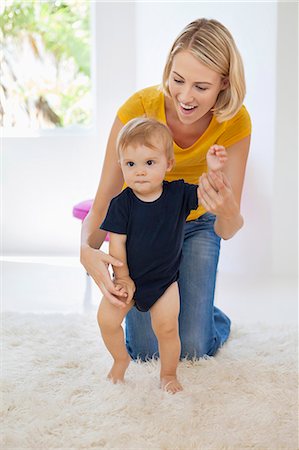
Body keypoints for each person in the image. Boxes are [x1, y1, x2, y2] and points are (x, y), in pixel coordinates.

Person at [80, 18, 251, 363]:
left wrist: (229, 207)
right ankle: (192, 307)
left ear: (223, 84)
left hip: (198, 226)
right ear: (168, 71)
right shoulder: (138, 110)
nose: (185, 97)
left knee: (190, 348)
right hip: (142, 226)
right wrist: (86, 250)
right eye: (177, 80)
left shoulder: (235, 123)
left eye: (201, 87)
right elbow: (106, 199)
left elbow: (226, 229)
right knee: (144, 351)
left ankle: (206, 316)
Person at [98, 117, 228, 393]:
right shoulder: (121, 204)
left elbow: (208, 196)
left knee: (167, 329)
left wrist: (214, 171)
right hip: (130, 279)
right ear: (121, 165)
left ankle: (168, 374)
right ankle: (121, 359)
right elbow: (116, 243)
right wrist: (123, 278)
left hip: (165, 282)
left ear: (168, 164)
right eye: (130, 164)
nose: (140, 172)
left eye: (149, 163)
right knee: (106, 320)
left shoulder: (178, 193)